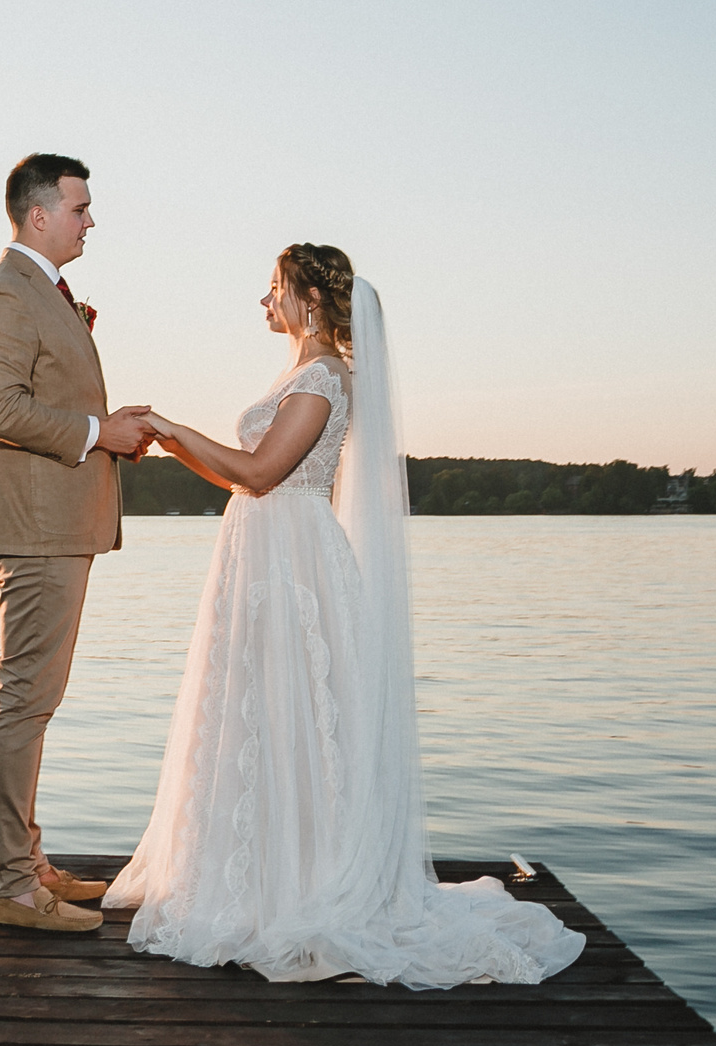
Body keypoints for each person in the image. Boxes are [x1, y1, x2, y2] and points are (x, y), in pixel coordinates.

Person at [104, 243, 585, 986]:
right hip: (261, 550)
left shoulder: (326, 377)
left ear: (310, 300)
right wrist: (170, 444)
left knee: (300, 710)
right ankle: (257, 871)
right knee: (259, 708)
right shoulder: (299, 374)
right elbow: (241, 477)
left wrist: (168, 427)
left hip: (294, 560)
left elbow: (262, 472)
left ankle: (305, 882)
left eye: (275, 287)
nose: (264, 300)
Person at [0, 153, 156, 932]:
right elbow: (0, 408)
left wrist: (109, 433)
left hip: (62, 523)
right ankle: (9, 886)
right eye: (80, 207)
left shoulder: (44, 291)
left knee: (36, 701)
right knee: (24, 701)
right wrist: (98, 431)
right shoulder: (4, 293)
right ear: (38, 214)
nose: (90, 220)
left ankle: (28, 861)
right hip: (37, 527)